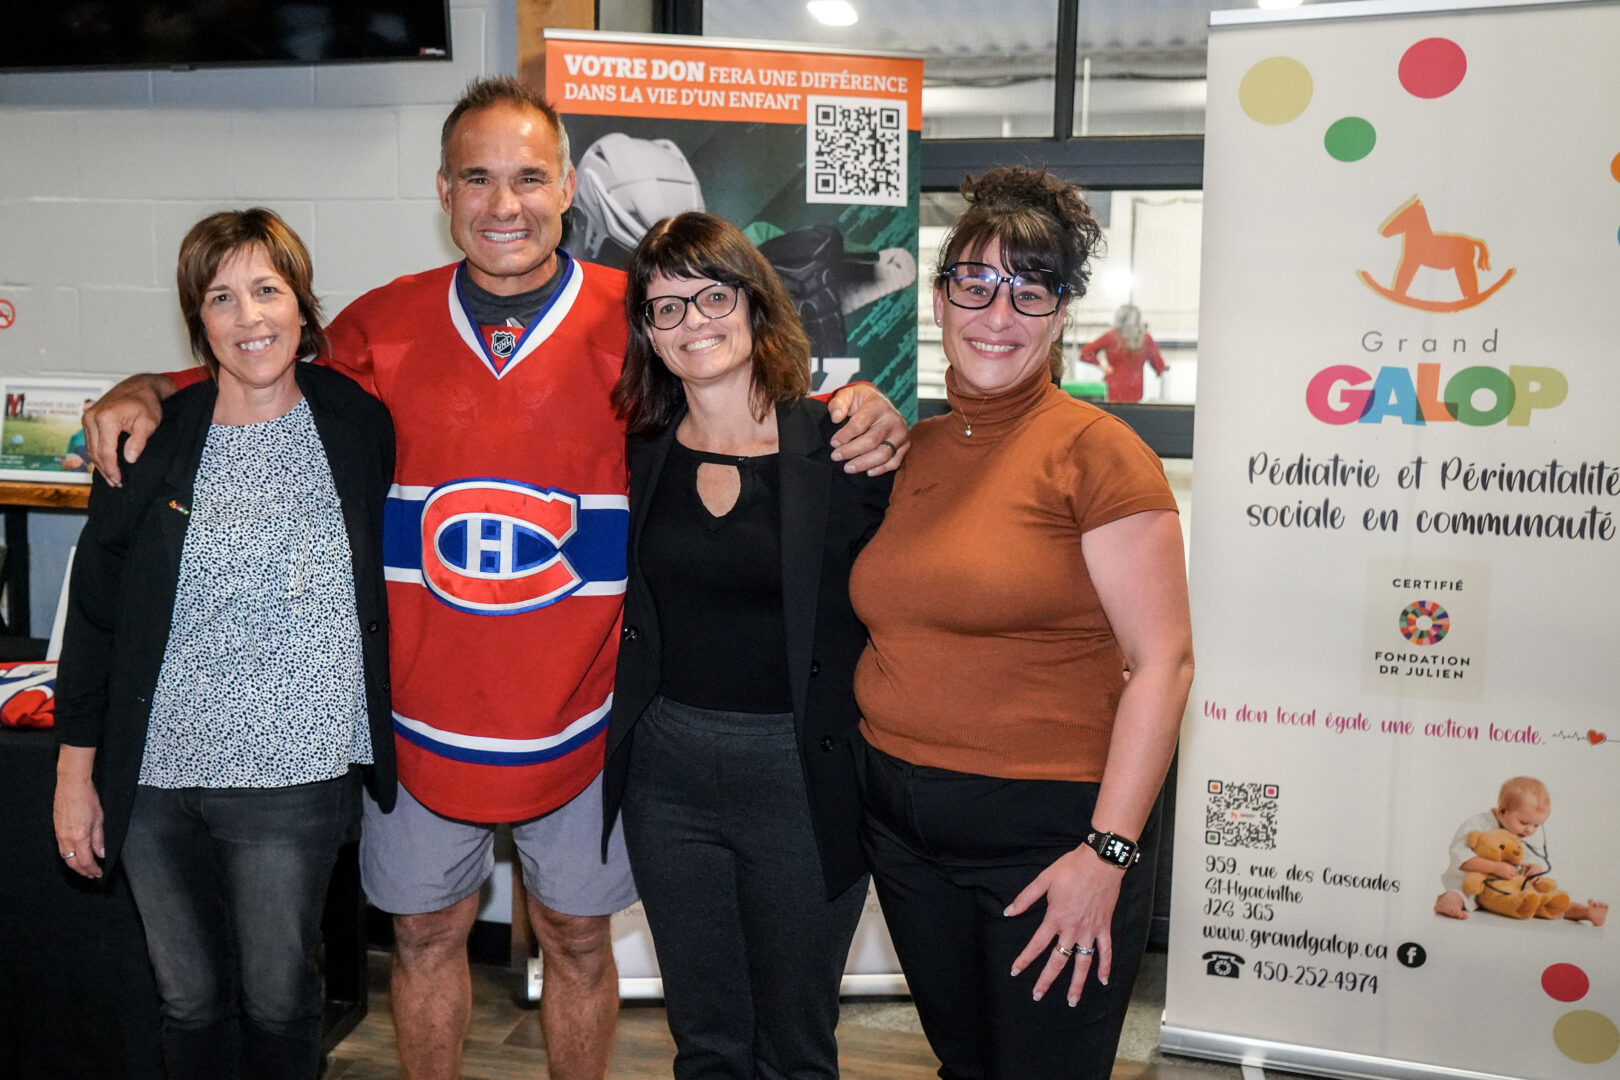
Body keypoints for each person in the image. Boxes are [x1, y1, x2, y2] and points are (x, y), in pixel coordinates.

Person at [80, 77, 909, 1080]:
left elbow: (756, 396)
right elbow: (259, 357)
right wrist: (146, 387)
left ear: (565, 187)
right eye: (477, 178)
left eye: (526, 177)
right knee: (425, 940)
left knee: (576, 939)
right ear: (444, 190)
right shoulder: (385, 322)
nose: (503, 203)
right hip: (423, 718)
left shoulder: (644, 316)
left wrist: (862, 408)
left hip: (586, 718)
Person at [849, 167, 1194, 1080]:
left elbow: (1164, 664)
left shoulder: (1099, 454)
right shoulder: (914, 448)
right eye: (974, 283)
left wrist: (1107, 855)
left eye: (1028, 290)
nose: (996, 315)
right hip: (904, 832)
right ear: (940, 297)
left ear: (1058, 314)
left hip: (1051, 841)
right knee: (964, 1064)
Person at [53, 208, 397, 1080]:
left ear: (303, 305)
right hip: (158, 779)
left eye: (268, 291)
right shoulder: (150, 439)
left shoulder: (357, 424)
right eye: (222, 298)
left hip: (296, 777)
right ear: (197, 321)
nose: (250, 318)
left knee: (281, 1000)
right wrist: (73, 774)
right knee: (190, 1000)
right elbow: (93, 617)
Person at [603, 212, 891, 1079]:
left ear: (755, 303)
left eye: (712, 296)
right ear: (648, 336)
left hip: (800, 778)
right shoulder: (639, 452)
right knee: (707, 1037)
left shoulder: (842, 444)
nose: (694, 322)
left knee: (797, 1044)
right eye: (666, 308)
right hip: (668, 778)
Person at [1433, 776, 1608, 924]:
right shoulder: (1477, 824)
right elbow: (1461, 857)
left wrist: (1534, 870)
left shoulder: (1522, 835)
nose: (1529, 830)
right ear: (1502, 809)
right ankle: (1447, 905)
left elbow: (1528, 860)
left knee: (1546, 899)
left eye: (1537, 825)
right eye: (1524, 823)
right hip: (1474, 886)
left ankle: (1584, 912)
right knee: (1458, 894)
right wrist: (1495, 868)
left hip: (1507, 889)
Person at [1079, 303, 1166, 403]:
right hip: (1135, 392)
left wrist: (1102, 367)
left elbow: (1085, 353)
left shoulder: (1111, 336)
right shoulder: (1146, 338)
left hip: (1113, 390)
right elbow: (1159, 364)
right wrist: (1160, 368)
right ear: (1138, 320)